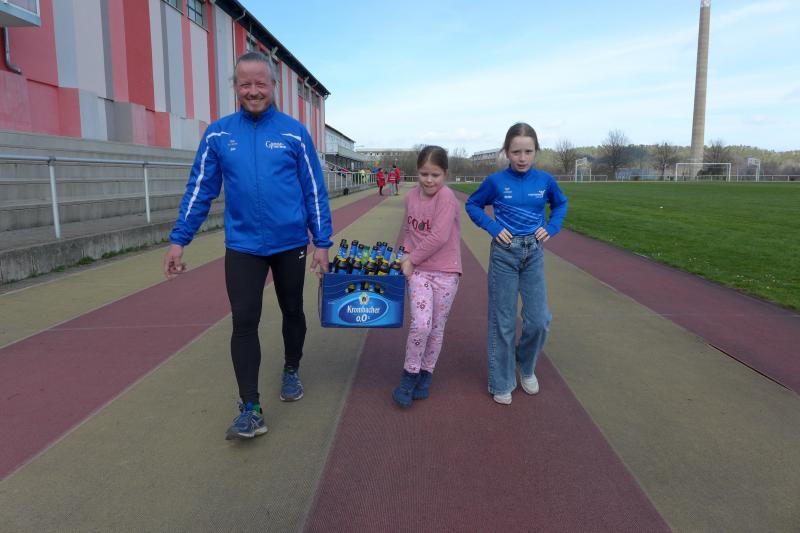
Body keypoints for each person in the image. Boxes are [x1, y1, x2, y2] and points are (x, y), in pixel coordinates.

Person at [163, 51, 333, 439]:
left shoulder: (294, 133)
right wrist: (178, 240)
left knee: (293, 309)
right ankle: (250, 408)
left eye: (260, 83)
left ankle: (291, 368)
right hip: (243, 245)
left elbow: (314, 191)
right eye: (245, 84)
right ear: (235, 87)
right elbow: (200, 190)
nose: (253, 91)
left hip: (290, 242)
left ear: (273, 86)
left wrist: (321, 242)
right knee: (243, 321)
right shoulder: (219, 134)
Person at [465, 123, 567, 405]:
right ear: (506, 152)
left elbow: (560, 204)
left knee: (540, 320)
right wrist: (493, 227)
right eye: (516, 152)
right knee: (504, 321)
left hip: (533, 253)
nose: (522, 158)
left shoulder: (545, 181)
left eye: (528, 152)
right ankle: (501, 381)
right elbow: (473, 205)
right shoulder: (496, 182)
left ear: (536, 151)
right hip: (504, 253)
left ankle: (525, 364)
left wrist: (553, 226)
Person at [393, 146, 462, 407]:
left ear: (445, 174)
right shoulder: (410, 197)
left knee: (436, 327)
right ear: (417, 172)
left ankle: (426, 373)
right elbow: (409, 230)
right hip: (420, 271)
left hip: (446, 272)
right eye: (424, 174)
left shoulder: (447, 198)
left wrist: (411, 258)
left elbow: (439, 236)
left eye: (435, 175)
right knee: (421, 324)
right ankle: (409, 374)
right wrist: (405, 255)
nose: (429, 180)